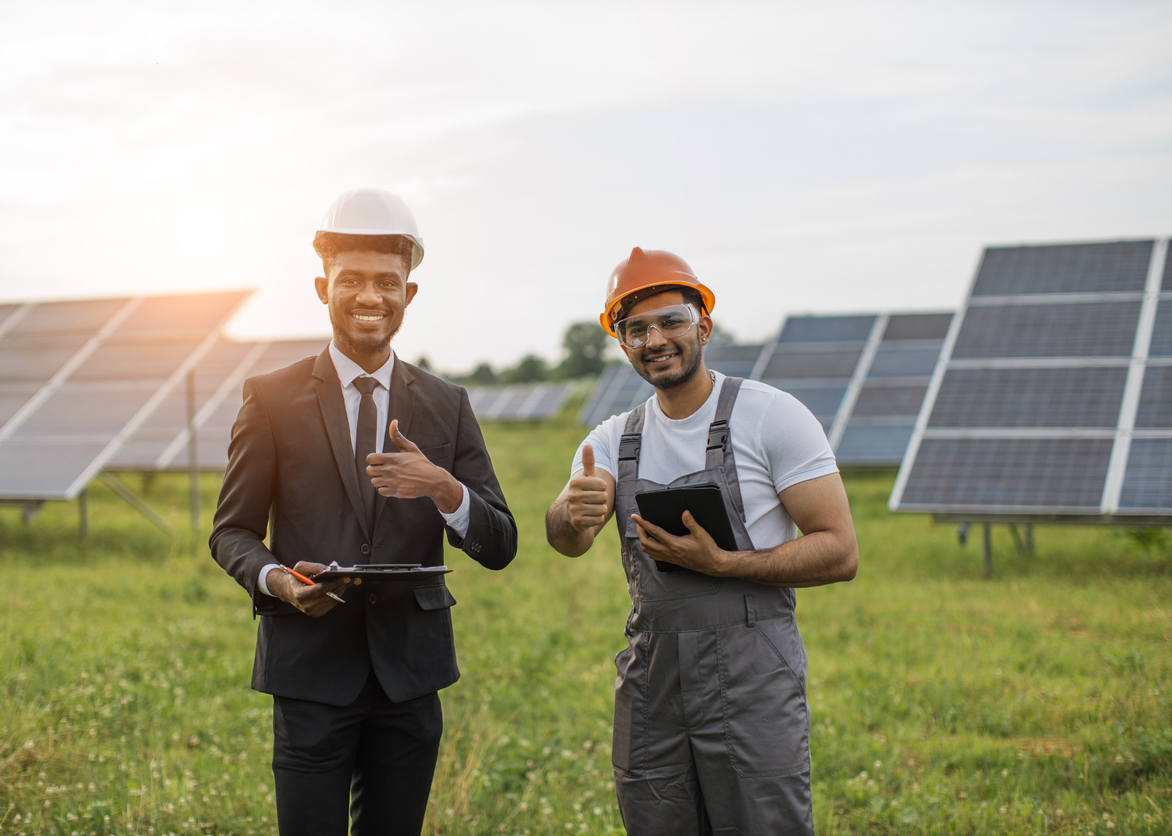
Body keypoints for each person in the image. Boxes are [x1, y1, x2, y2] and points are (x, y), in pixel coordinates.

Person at [210, 188, 517, 836]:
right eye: (351, 280)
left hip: (411, 678)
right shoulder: (271, 398)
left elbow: (501, 542)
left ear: (410, 293)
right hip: (310, 671)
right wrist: (279, 582)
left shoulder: (446, 404)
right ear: (323, 287)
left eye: (388, 281)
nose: (370, 296)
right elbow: (233, 531)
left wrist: (445, 490)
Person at [545, 247, 859, 835]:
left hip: (752, 673)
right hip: (652, 679)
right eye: (635, 329)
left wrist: (724, 563)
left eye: (671, 321)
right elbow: (568, 539)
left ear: (704, 327)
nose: (654, 339)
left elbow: (840, 550)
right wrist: (571, 509)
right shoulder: (613, 438)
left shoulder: (771, 416)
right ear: (622, 344)